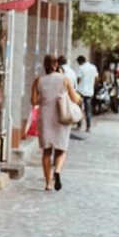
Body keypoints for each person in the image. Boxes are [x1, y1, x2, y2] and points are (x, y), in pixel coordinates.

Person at [31, 55, 82, 191]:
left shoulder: (38, 81)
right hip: (61, 116)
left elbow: (34, 101)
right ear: (55, 65)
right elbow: (74, 98)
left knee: (46, 152)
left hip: (45, 117)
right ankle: (57, 171)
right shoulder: (64, 79)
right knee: (61, 149)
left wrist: (45, 98)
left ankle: (48, 183)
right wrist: (79, 98)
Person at [76, 55, 99, 132]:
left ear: (80, 61)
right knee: (88, 109)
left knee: (79, 108)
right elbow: (97, 78)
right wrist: (93, 86)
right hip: (90, 91)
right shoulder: (93, 67)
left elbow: (78, 79)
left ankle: (79, 123)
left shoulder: (81, 68)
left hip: (81, 90)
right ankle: (88, 126)